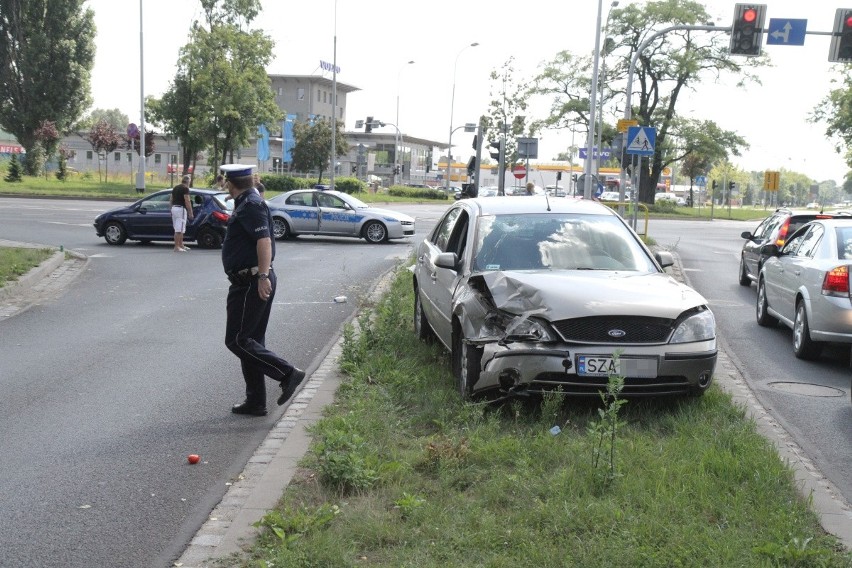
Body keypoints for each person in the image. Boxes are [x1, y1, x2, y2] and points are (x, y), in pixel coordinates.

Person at [220, 164, 305, 416]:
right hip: (249, 279)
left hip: (252, 280)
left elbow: (264, 240)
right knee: (251, 341)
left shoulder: (252, 205)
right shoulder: (247, 201)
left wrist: (263, 275)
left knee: (238, 340)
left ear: (228, 183)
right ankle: (256, 401)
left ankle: (287, 373)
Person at [171, 175, 194, 252]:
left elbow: (171, 199)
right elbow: (187, 201)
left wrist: (171, 209)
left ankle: (181, 245)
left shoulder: (175, 188)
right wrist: (190, 212)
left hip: (174, 208)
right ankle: (177, 247)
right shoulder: (185, 189)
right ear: (188, 181)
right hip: (181, 209)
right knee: (179, 229)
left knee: (180, 228)